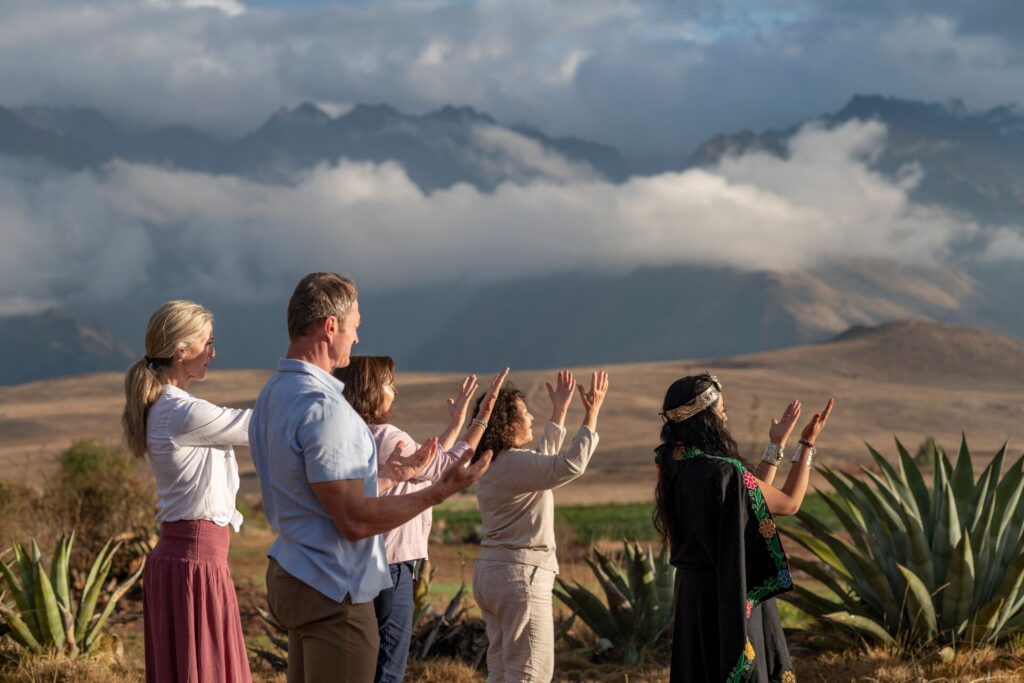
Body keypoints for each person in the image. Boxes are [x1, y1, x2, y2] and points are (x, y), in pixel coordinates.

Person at [248, 272, 502, 683]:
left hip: (292, 573)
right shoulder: (325, 408)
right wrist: (438, 492)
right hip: (332, 588)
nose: (357, 339)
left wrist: (388, 475)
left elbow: (315, 496)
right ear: (330, 326)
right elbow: (354, 520)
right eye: (355, 327)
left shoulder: (272, 395)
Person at [652, 372, 834, 683]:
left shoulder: (671, 463)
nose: (724, 416)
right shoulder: (724, 471)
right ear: (704, 418)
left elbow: (746, 498)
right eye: (720, 409)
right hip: (730, 592)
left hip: (692, 596)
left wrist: (776, 443)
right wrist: (806, 444)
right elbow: (789, 502)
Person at [122, 300, 252, 683]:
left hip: (185, 559)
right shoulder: (181, 412)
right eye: (207, 343)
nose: (214, 353)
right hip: (196, 562)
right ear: (181, 351)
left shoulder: (166, 407)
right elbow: (258, 426)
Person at [334, 357, 480, 683]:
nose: (395, 390)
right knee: (389, 662)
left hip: (359, 560)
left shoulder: (351, 436)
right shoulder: (387, 436)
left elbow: (423, 469)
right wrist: (480, 422)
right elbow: (443, 469)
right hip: (393, 564)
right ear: (369, 391)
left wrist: (456, 423)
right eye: (388, 384)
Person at [473, 370, 609, 682]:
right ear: (508, 423)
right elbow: (568, 466)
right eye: (525, 413)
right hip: (520, 577)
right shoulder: (513, 463)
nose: (531, 418)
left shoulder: (496, 462)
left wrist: (560, 411)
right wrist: (591, 414)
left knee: (501, 671)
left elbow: (540, 467)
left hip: (491, 574)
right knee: (530, 673)